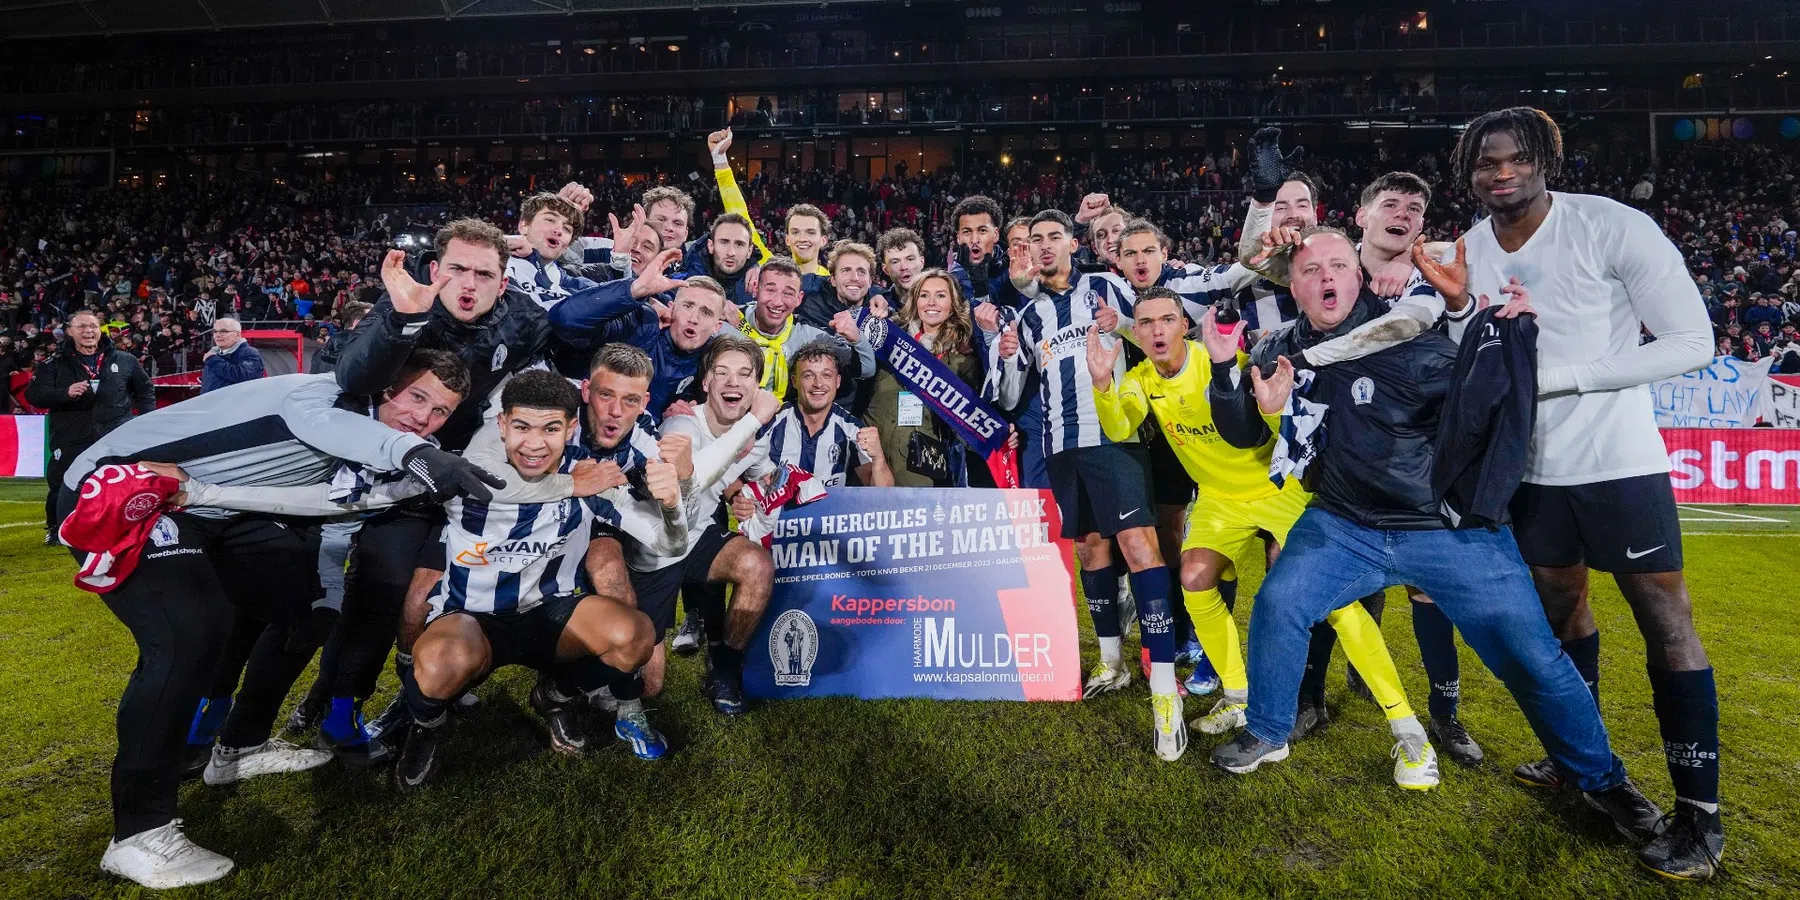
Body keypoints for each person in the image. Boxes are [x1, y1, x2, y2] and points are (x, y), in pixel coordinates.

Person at [1204, 228, 1666, 852]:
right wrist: (1223, 370)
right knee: (1282, 602)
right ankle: (1267, 728)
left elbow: (1485, 387)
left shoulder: (1411, 334)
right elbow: (1238, 433)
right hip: (1345, 523)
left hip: (1445, 530)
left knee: (1532, 657)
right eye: (1310, 270)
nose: (1325, 278)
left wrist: (1485, 321)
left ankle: (1603, 781)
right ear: (1293, 284)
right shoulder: (1281, 348)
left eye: (1338, 264)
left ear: (1360, 274)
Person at [1416, 106, 1722, 880]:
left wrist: (1562, 380)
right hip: (1527, 474)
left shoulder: (1611, 226)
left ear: (1547, 157)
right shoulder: (1472, 249)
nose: (1502, 172)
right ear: (1469, 172)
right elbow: (1476, 355)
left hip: (1619, 464)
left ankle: (1700, 816)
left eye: (1518, 157)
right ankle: (1578, 761)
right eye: (1486, 163)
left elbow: (1694, 341)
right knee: (1560, 614)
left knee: (1665, 621)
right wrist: (1457, 309)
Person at [59, 365, 500, 889]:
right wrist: (414, 455)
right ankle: (138, 832)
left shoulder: (380, 447)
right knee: (187, 637)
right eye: (415, 398)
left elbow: (316, 501)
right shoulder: (326, 400)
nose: (421, 418)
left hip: (207, 508)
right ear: (384, 386)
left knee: (310, 606)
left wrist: (204, 493)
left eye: (439, 412)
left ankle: (238, 746)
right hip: (126, 487)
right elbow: (346, 438)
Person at [1087, 287, 1419, 774]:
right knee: (1194, 578)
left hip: (1277, 491)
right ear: (1135, 332)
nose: (1157, 330)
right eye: (1147, 323)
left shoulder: (1219, 361)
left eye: (1166, 320)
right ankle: (1238, 695)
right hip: (1221, 501)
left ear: (1184, 325)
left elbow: (1270, 411)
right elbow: (1119, 428)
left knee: (1333, 603)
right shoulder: (1140, 379)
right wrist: (1102, 384)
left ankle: (1406, 728)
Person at [994, 209, 1186, 760]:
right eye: (1036, 240)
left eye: (1055, 237)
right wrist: (1008, 361)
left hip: (1117, 438)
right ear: (1028, 251)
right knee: (1091, 548)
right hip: (1061, 446)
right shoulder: (1028, 318)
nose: (1046, 247)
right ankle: (1112, 661)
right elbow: (1011, 396)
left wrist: (1121, 325)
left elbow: (1156, 330)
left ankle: (1165, 690)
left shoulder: (1108, 286)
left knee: (1139, 547)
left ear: (1074, 244)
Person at [643, 335, 783, 713]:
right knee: (647, 684)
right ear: (705, 383)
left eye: (744, 374)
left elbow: (764, 476)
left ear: (756, 386)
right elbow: (693, 478)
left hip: (697, 537)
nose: (732, 382)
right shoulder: (682, 422)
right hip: (651, 545)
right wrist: (753, 420)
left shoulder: (756, 442)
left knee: (756, 565)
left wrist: (747, 496)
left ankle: (725, 667)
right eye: (721, 373)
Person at [27, 308, 154, 542]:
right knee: (63, 481)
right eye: (82, 327)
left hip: (115, 433)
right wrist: (64, 393)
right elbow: (34, 395)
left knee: (121, 481)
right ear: (69, 332)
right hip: (71, 433)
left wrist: (145, 419)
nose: (89, 331)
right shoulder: (52, 364)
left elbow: (145, 390)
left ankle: (125, 524)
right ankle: (57, 529)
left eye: (93, 326)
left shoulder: (125, 360)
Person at [865, 269, 982, 486]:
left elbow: (966, 423)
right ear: (915, 300)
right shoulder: (890, 337)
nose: (931, 302)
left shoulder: (963, 359)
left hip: (917, 462)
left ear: (953, 303)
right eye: (924, 295)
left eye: (940, 295)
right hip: (869, 451)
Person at [742, 256, 876, 399]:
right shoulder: (731, 321)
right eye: (770, 290)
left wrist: (857, 338)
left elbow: (866, 369)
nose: (777, 302)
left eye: (788, 293)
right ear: (756, 290)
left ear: (799, 299)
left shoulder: (810, 336)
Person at [765, 343, 893, 489]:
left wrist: (878, 458)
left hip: (829, 510)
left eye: (826, 375)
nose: (818, 384)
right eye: (808, 375)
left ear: (837, 381)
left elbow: (883, 493)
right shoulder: (771, 419)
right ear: (794, 382)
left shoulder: (852, 429)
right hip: (776, 511)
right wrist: (736, 496)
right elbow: (736, 470)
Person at [200, 318, 264, 393]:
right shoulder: (214, 354)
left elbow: (242, 376)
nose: (217, 335)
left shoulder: (250, 353)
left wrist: (213, 360)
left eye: (223, 331)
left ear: (237, 335)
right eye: (215, 331)